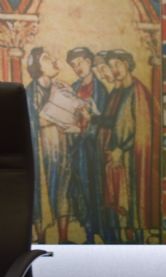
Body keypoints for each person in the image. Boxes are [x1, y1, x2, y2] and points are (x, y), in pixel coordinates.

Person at [96, 49, 159, 243]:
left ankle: (135, 243)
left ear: (127, 64)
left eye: (118, 64)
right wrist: (93, 118)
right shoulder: (117, 92)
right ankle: (121, 243)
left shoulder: (137, 91)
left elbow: (142, 128)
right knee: (118, 203)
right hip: (115, 157)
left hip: (132, 157)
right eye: (111, 65)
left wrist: (121, 148)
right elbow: (112, 121)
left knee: (132, 202)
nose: (114, 69)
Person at [25, 47, 73, 243]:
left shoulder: (61, 88)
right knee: (40, 193)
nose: (54, 60)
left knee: (63, 191)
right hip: (40, 151)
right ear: (37, 66)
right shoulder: (30, 93)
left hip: (62, 148)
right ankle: (42, 240)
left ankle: (63, 240)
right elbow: (31, 121)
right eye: (46, 58)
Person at [66, 47, 109, 243]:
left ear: (89, 62)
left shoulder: (100, 89)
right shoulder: (73, 88)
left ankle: (96, 232)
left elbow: (103, 120)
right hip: (76, 146)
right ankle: (87, 230)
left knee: (93, 187)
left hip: (93, 147)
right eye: (73, 65)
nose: (77, 67)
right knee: (78, 188)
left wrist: (88, 123)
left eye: (80, 62)